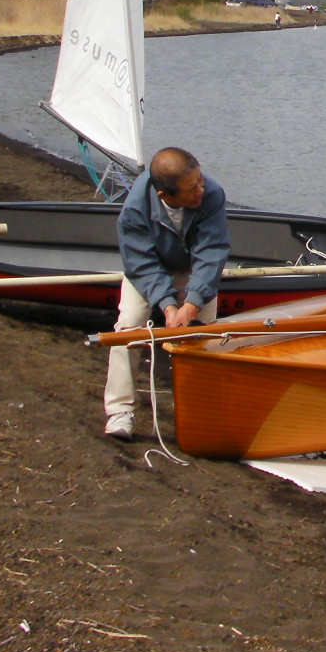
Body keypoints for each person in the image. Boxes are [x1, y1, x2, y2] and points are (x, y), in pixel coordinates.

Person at [104, 147, 231, 440]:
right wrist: (168, 305)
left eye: (200, 181)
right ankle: (119, 411)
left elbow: (211, 251)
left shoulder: (211, 194)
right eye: (191, 188)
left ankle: (201, 412)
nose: (201, 189)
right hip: (148, 270)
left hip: (192, 268)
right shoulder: (135, 209)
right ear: (165, 195)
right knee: (128, 328)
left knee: (203, 335)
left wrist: (192, 303)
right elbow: (141, 263)